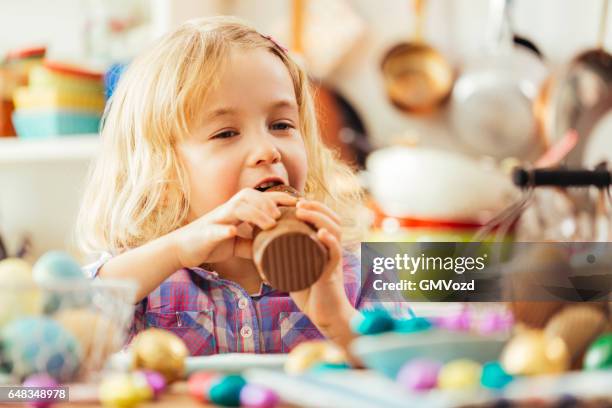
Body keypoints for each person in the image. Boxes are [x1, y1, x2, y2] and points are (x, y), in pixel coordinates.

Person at [76, 16, 396, 356]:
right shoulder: (146, 281)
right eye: (226, 133)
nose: (267, 150)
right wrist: (175, 250)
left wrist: (339, 321)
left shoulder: (351, 274)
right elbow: (64, 326)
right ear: (163, 174)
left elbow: (413, 377)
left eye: (281, 124)